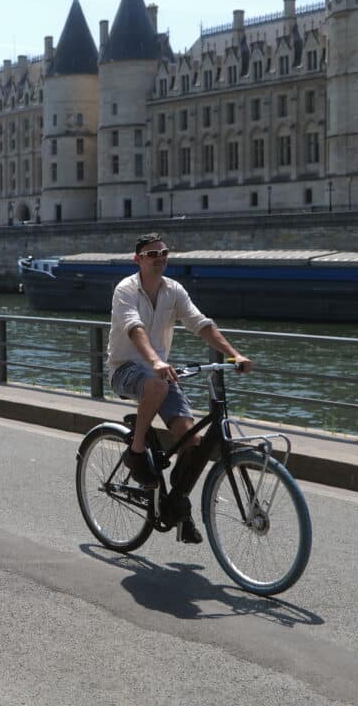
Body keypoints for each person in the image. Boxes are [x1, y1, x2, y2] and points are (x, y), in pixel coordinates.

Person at [107, 233, 252, 544]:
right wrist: (156, 361)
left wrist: (234, 354)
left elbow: (200, 323)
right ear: (138, 260)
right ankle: (136, 451)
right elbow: (135, 328)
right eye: (151, 253)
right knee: (158, 384)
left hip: (160, 373)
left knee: (192, 441)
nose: (159, 257)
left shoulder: (174, 290)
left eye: (163, 252)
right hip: (126, 370)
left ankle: (177, 505)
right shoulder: (126, 290)